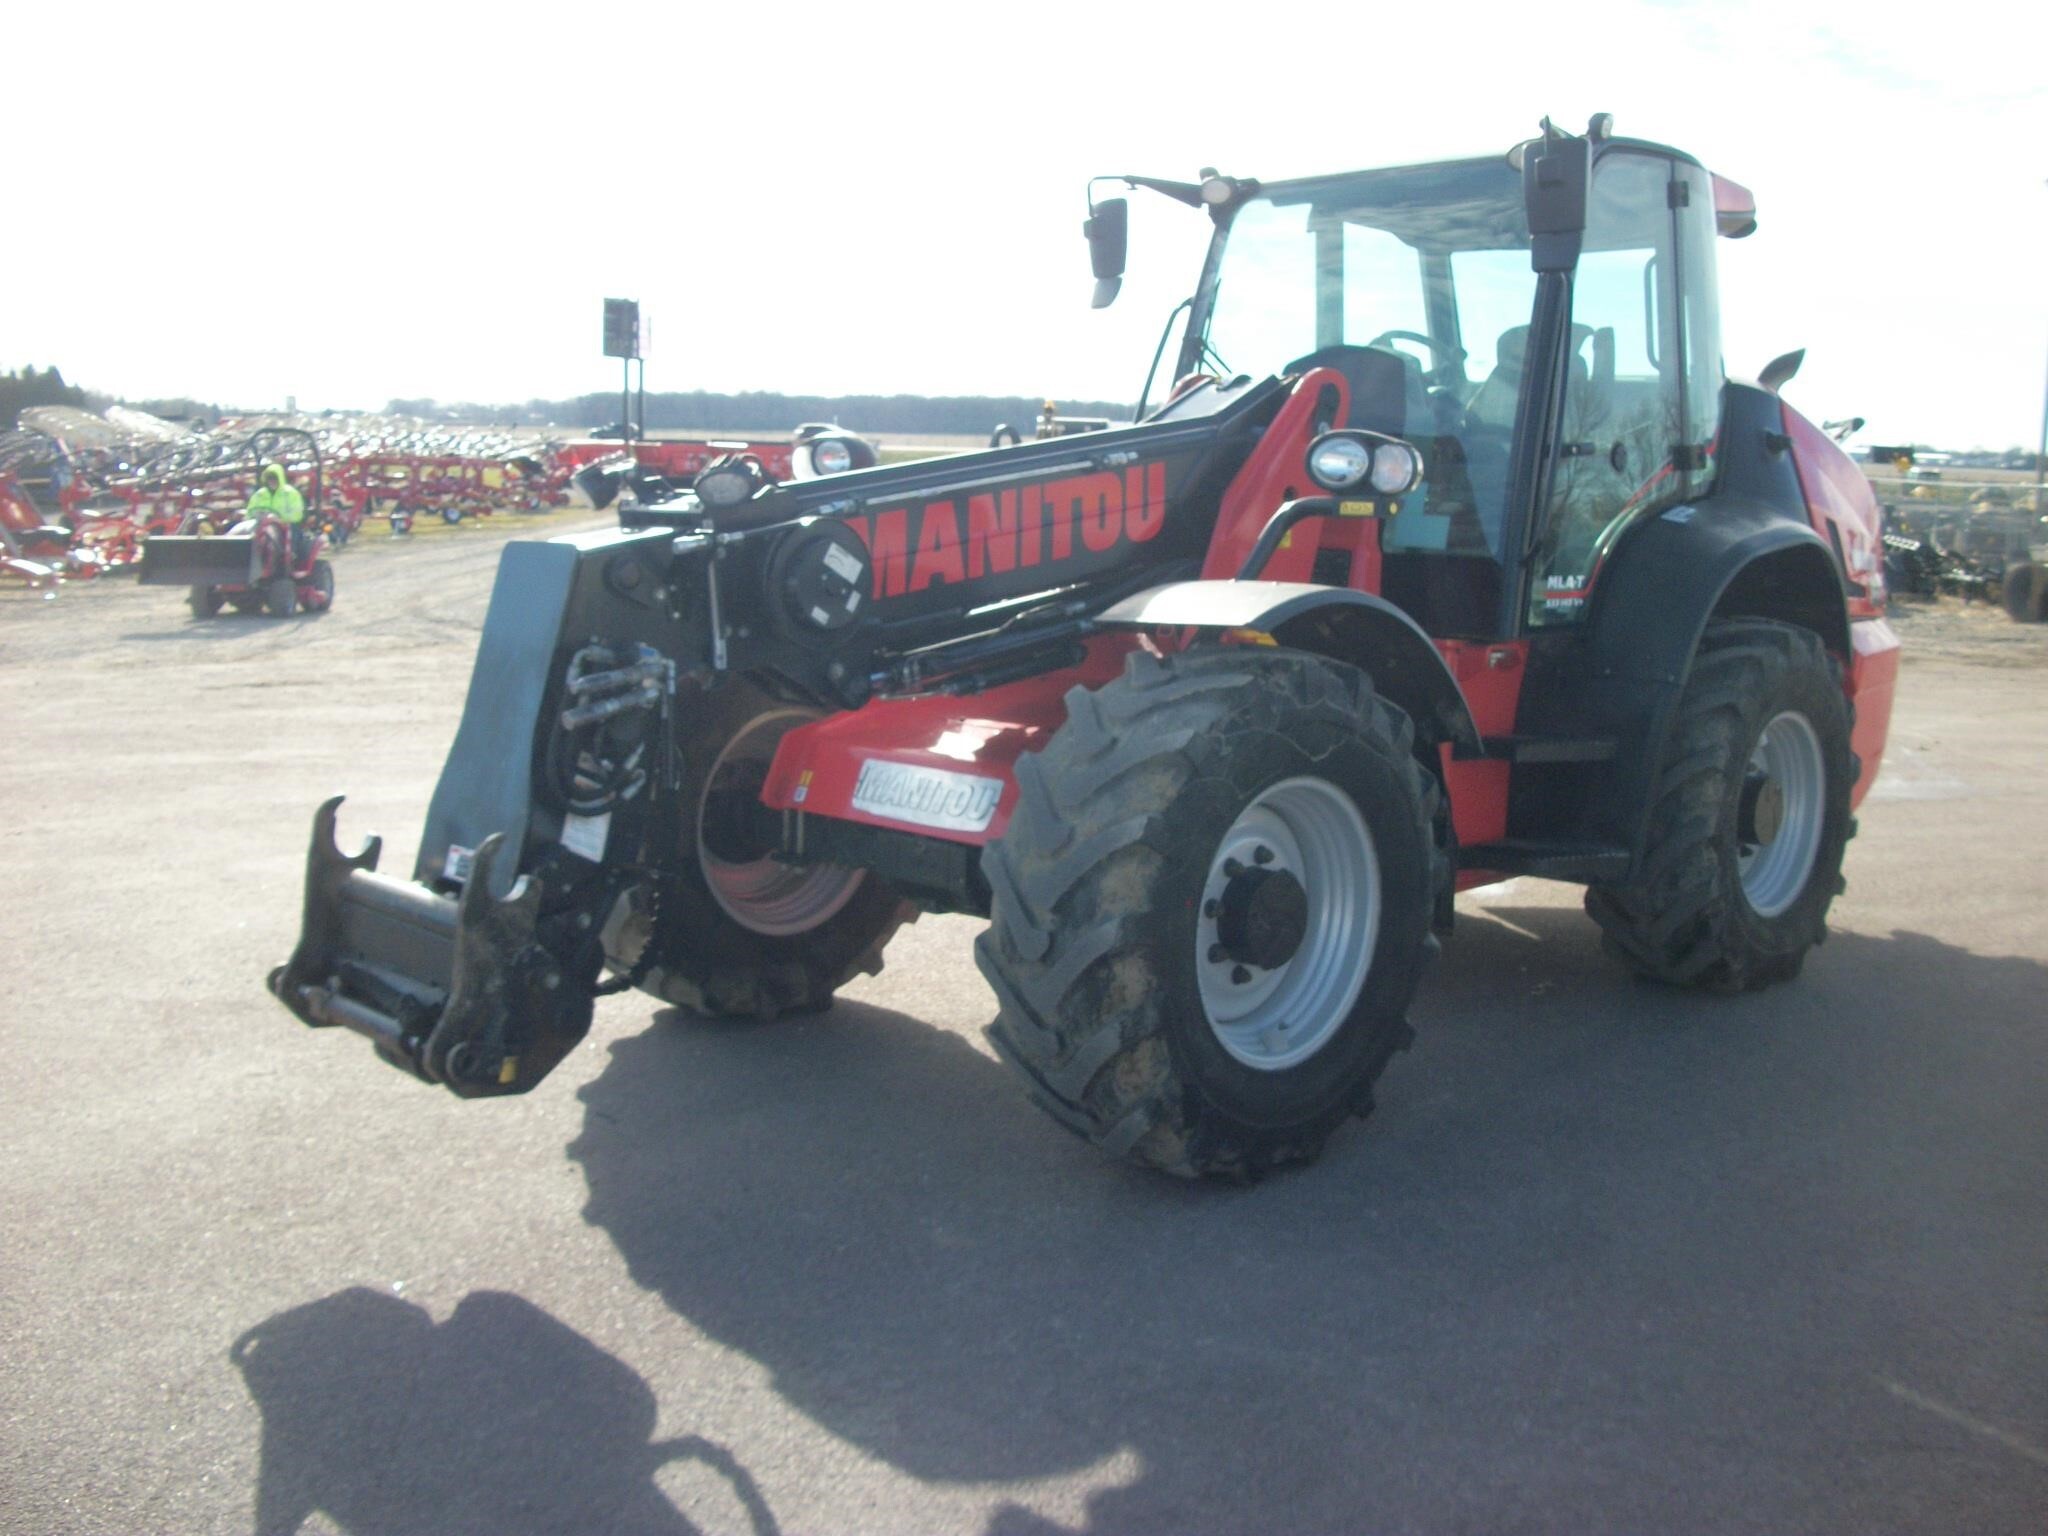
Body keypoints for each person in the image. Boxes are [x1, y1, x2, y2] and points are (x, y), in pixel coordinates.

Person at [246, 462, 308, 566]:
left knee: (292, 529)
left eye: (274, 478)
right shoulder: (259, 494)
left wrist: (281, 519)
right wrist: (253, 516)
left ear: (280, 478)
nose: (272, 481)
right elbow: (250, 510)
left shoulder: (290, 493)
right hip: (262, 524)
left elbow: (297, 513)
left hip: (284, 524)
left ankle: (290, 555)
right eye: (270, 478)